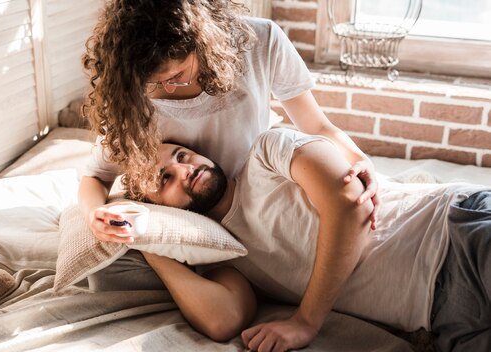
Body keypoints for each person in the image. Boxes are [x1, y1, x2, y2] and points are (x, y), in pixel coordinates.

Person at [137, 128, 490, 352]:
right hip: (445, 317)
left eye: (181, 156)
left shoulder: (267, 152)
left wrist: (306, 321)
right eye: (165, 179)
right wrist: (147, 241)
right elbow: (222, 320)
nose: (186, 169)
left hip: (455, 232)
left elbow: (350, 206)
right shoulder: (224, 256)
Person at [79, 0, 379, 245]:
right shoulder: (128, 93)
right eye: (154, 82)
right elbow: (95, 177)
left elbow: (316, 126)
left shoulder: (260, 41)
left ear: (201, 41)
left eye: (176, 76)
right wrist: (95, 214)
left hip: (266, 195)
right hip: (205, 219)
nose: (167, 89)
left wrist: (359, 159)